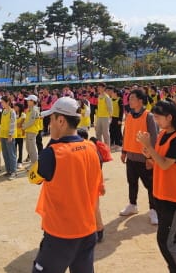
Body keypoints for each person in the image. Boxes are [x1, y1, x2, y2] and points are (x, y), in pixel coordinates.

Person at [28, 97, 103, 273]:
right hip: (87, 228)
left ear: (61, 120)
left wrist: (52, 143)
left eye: (51, 119)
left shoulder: (52, 153)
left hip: (61, 234)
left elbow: (33, 177)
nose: (49, 124)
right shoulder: (91, 148)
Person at [137, 100, 176, 273]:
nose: (155, 120)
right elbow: (157, 159)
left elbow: (163, 164)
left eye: (158, 117)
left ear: (170, 117)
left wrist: (149, 147)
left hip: (175, 198)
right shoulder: (163, 135)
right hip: (163, 194)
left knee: (167, 241)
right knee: (169, 240)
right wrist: (147, 152)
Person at [119, 89, 159, 225]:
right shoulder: (129, 115)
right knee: (132, 182)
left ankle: (154, 209)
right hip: (131, 156)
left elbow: (153, 137)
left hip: (144, 158)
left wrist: (150, 157)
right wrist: (124, 151)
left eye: (132, 99)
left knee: (150, 185)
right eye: (129, 99)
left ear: (140, 101)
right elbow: (127, 134)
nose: (129, 101)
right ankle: (132, 204)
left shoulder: (149, 116)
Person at [0, 95, 17, 179]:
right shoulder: (4, 111)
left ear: (7, 102)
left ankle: (13, 171)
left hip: (9, 136)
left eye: (2, 102)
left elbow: (12, 124)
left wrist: (10, 135)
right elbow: (2, 124)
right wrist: (0, 135)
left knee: (11, 154)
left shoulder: (12, 111)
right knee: (5, 153)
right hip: (3, 135)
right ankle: (8, 170)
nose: (1, 103)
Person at [23, 95, 40, 168]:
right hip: (28, 130)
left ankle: (35, 164)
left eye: (29, 100)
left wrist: (23, 127)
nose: (27, 101)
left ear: (33, 102)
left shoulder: (34, 110)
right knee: (28, 147)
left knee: (32, 148)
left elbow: (31, 121)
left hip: (32, 131)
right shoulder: (30, 109)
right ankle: (33, 162)